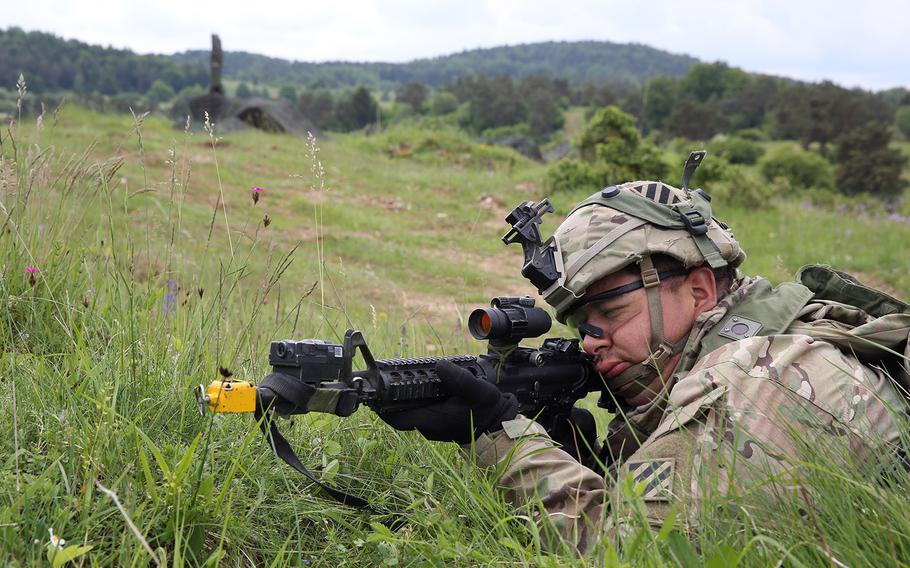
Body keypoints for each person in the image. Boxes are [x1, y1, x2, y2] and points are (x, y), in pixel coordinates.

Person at [380, 179, 910, 552]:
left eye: (610, 312)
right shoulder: (766, 341)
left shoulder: (757, 379)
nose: (590, 343)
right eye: (581, 323)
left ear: (699, 289)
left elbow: (634, 551)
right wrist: (581, 460)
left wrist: (503, 438)